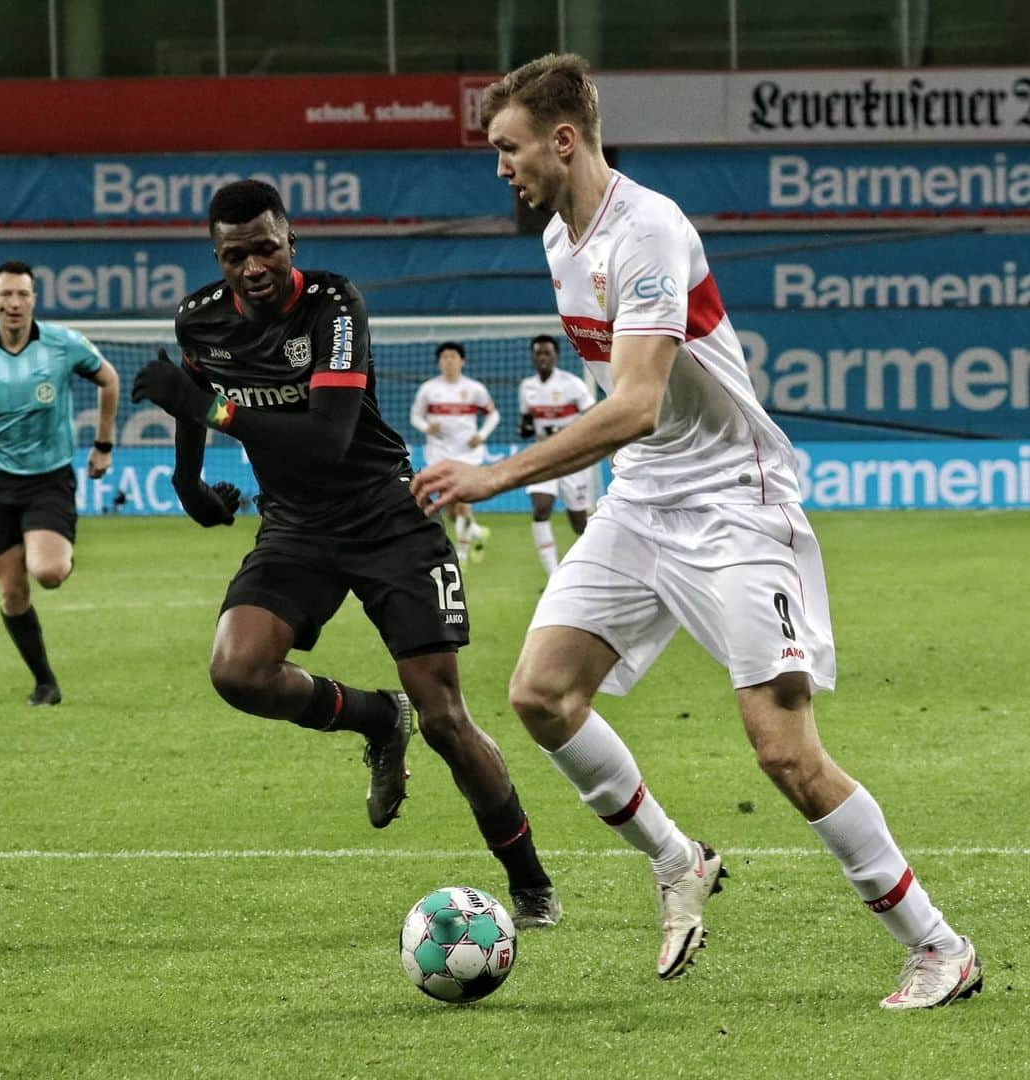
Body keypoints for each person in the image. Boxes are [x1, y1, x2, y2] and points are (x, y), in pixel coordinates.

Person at [412, 53, 981, 1008]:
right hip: (645, 497)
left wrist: (496, 473)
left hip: (733, 500)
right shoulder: (560, 239)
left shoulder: (650, 231)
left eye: (507, 147)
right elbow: (636, 424)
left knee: (784, 751)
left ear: (562, 138)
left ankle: (938, 945)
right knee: (542, 694)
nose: (498, 167)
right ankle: (678, 861)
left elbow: (634, 402)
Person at [129, 179, 560, 929]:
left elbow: (324, 438)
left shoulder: (333, 305)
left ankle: (530, 883)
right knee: (238, 670)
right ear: (218, 257)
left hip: (386, 513)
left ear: (291, 240)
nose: (254, 265)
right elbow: (192, 391)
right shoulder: (199, 321)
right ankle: (371, 719)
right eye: (236, 254)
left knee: (447, 719)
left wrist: (206, 408)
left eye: (266, 246)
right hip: (296, 525)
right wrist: (188, 480)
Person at [0, 260, 119, 705]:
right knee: (12, 592)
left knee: (49, 572)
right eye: (5, 294)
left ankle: (52, 547)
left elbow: (109, 378)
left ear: (33, 301)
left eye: (22, 294)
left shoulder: (62, 345)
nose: (13, 303)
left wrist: (103, 444)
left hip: (48, 478)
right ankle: (45, 683)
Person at [409, 342, 497, 565]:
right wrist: (426, 428)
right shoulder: (428, 389)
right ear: (439, 362)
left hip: (468, 454)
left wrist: (482, 434)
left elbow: (493, 415)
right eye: (444, 357)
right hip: (439, 454)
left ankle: (463, 552)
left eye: (453, 356)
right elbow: (415, 416)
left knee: (462, 501)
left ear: (462, 361)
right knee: (450, 509)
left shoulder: (475, 389)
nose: (448, 360)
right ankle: (476, 531)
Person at [517, 334, 595, 578]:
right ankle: (554, 577)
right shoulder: (527, 387)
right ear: (532, 356)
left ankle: (596, 568)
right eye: (538, 353)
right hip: (544, 455)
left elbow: (593, 416)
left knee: (579, 523)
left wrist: (564, 431)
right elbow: (526, 423)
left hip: (572, 457)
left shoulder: (572, 384)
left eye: (547, 353)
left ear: (555, 356)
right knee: (541, 509)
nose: (542, 357)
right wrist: (526, 428)